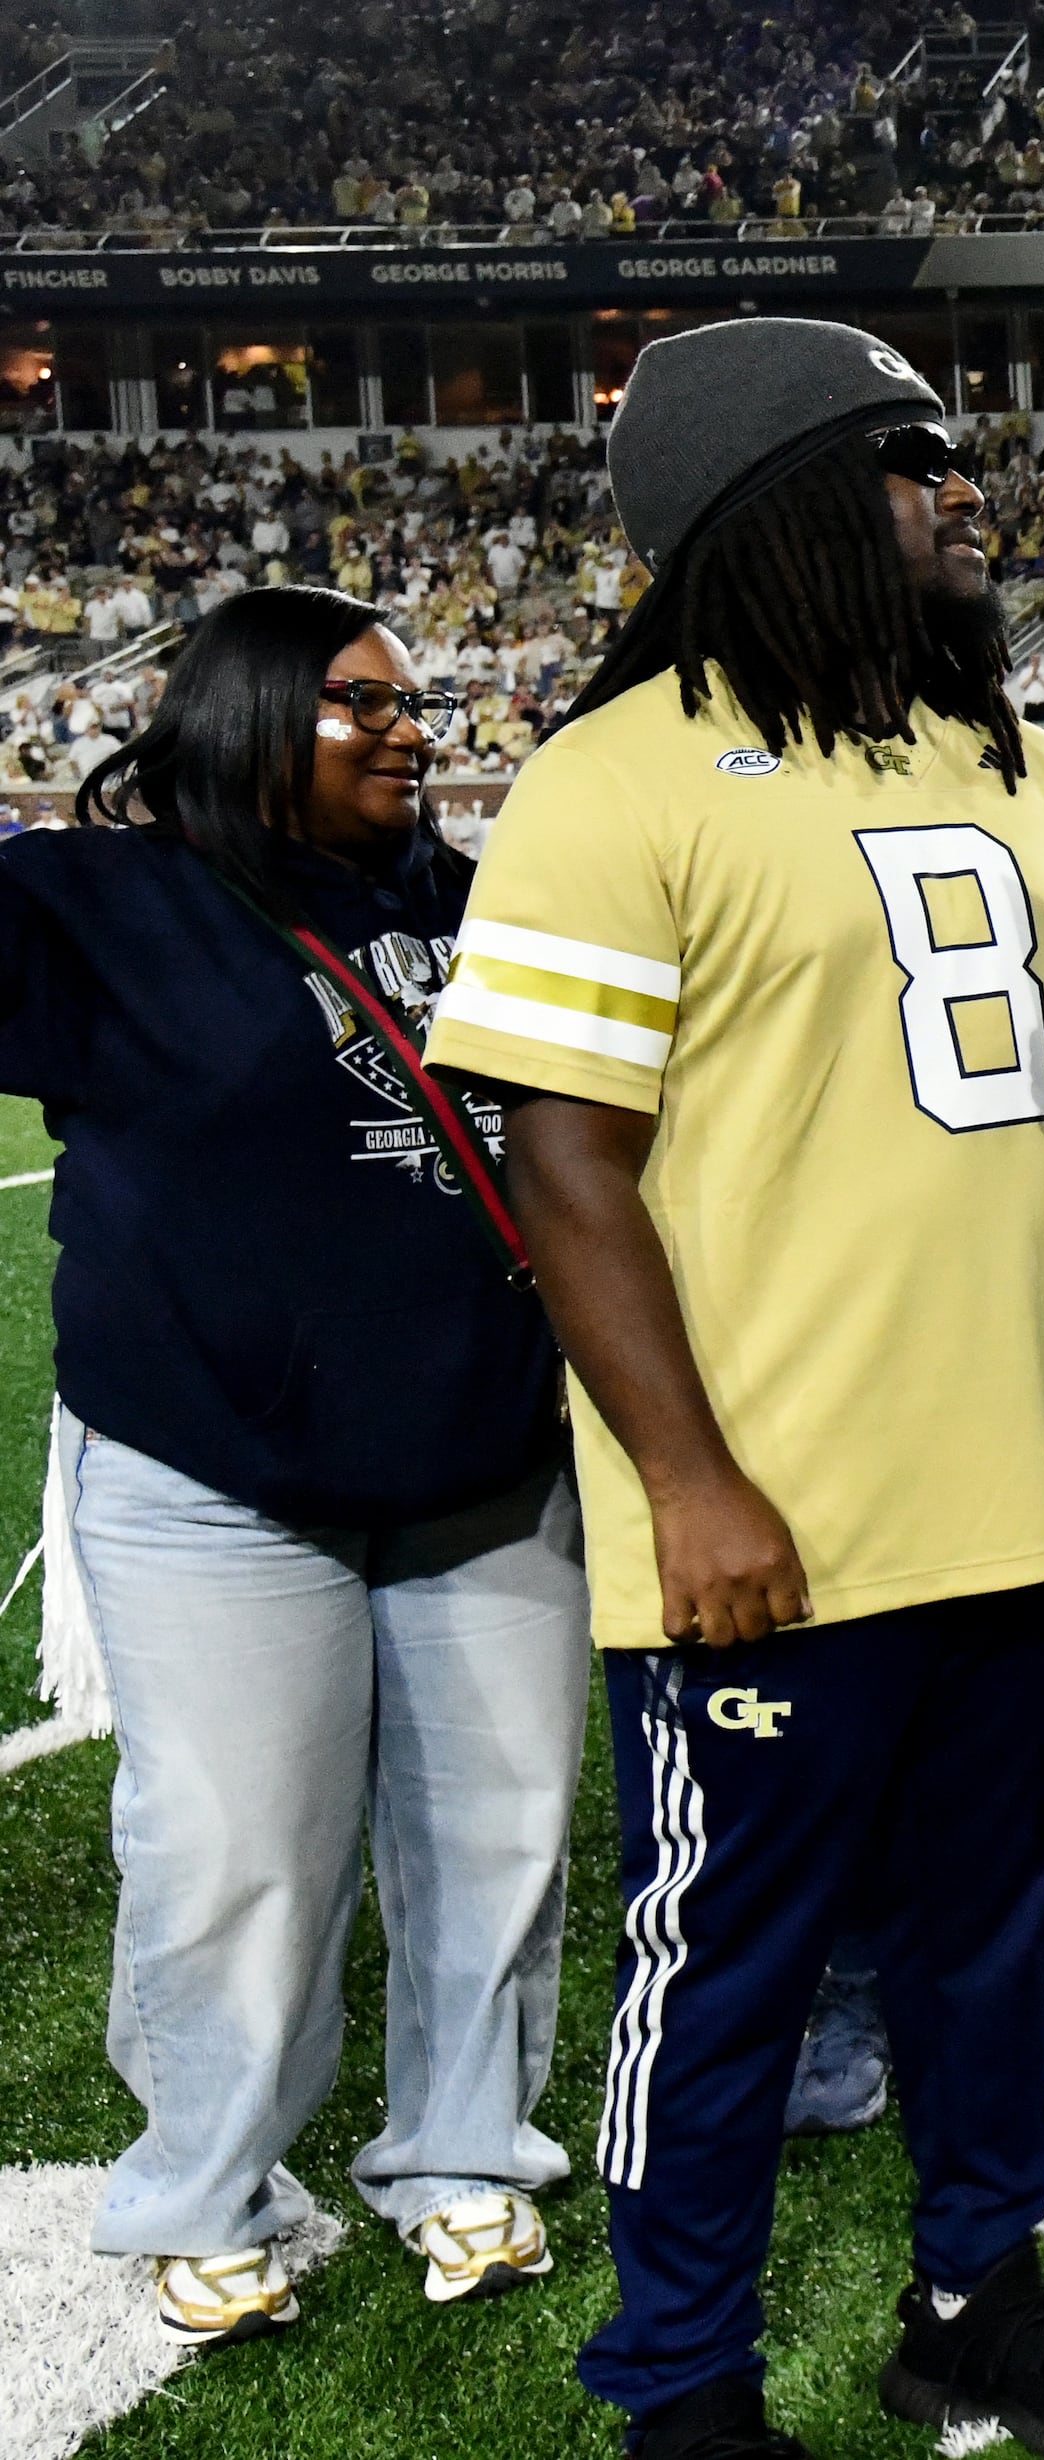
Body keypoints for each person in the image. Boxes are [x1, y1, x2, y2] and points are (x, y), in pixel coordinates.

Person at [423, 319, 1044, 2460]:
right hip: (767, 1522)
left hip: (1016, 1499)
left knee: (984, 1946)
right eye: (910, 461)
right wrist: (687, 1480)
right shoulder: (616, 777)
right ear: (778, 502)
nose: (965, 494)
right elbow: (562, 1167)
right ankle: (677, 2379)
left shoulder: (1020, 760)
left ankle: (976, 2296)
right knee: (729, 1970)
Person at [4, 587, 581, 2344]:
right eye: (361, 704)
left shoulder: (463, 902)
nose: (414, 731)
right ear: (242, 712)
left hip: (483, 1457)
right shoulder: (87, 901)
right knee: (239, 1850)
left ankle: (464, 2153)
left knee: (501, 1836)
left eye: (418, 704)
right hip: (214, 1469)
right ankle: (209, 2181)